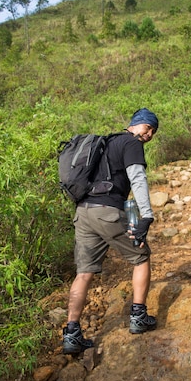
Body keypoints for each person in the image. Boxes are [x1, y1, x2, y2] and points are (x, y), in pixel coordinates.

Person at [62, 108, 159, 354]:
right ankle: (138, 316)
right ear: (136, 125)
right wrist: (146, 215)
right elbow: (137, 178)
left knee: (83, 273)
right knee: (141, 256)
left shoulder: (104, 143)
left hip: (83, 212)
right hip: (107, 210)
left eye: (153, 132)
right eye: (148, 128)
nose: (149, 135)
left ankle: (71, 333)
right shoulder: (131, 142)